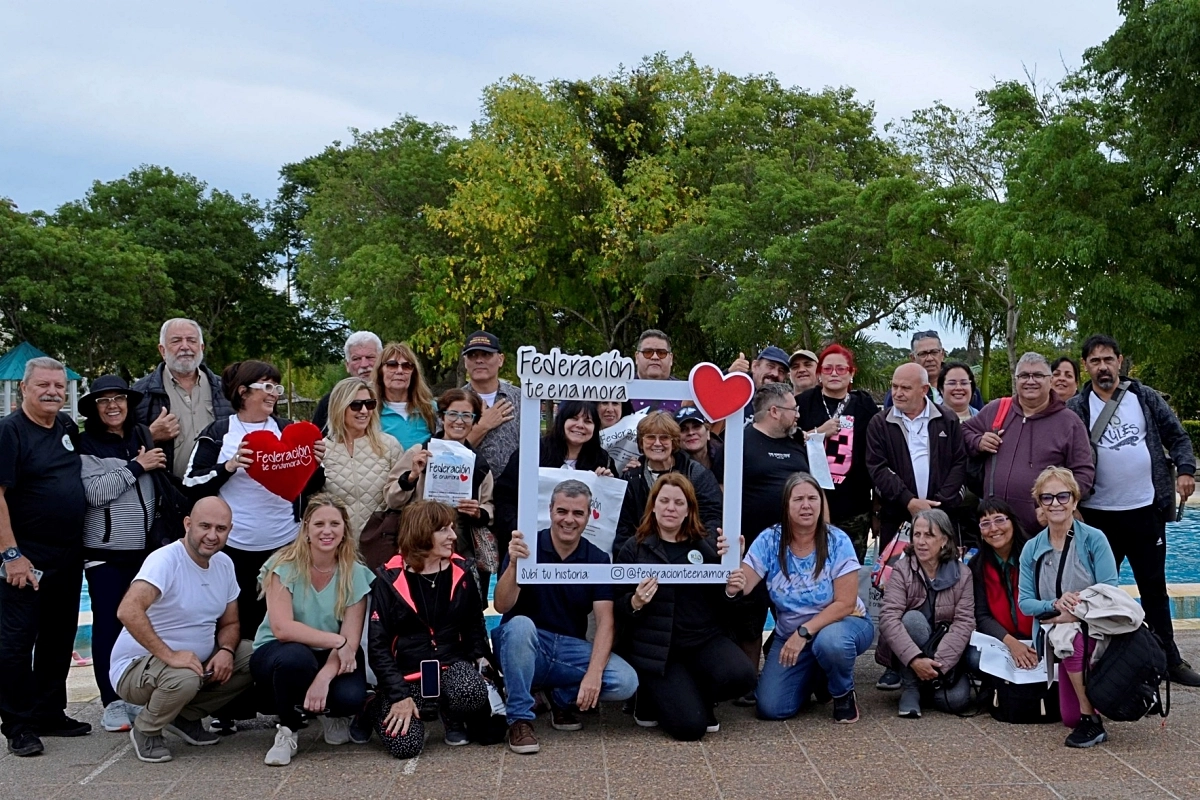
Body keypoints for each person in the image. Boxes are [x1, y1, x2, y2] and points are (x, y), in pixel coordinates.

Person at [1066, 334, 1200, 686]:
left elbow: (1178, 436)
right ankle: (1094, 661)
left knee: (1154, 589)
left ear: (1120, 360)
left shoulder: (1144, 397)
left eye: (1108, 359)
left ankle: (1170, 659)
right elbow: (1063, 458)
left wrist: (1186, 470)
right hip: (1097, 516)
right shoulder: (1076, 408)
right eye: (1095, 361)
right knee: (1095, 591)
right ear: (1086, 366)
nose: (1103, 367)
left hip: (1144, 511)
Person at [184, 361, 327, 647]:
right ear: (243, 392)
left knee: (285, 624)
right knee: (241, 624)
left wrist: (317, 464)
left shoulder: (288, 430)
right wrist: (230, 466)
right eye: (267, 386)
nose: (274, 393)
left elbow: (309, 485)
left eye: (277, 387)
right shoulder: (219, 432)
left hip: (286, 545)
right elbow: (190, 483)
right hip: (235, 548)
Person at [492, 480, 638, 754]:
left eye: (578, 513)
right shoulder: (526, 548)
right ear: (550, 511)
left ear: (588, 516)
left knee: (625, 680)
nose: (569, 520)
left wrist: (594, 674)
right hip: (521, 644)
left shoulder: (596, 558)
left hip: (566, 649)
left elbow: (606, 621)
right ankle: (520, 720)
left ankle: (559, 697)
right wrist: (513, 566)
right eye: (562, 511)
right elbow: (501, 605)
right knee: (521, 624)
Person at [111, 497, 253, 763]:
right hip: (135, 667)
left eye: (220, 529)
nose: (212, 535)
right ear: (187, 524)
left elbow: (230, 623)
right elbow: (127, 610)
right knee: (184, 677)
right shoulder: (165, 560)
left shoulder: (224, 564)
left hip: (190, 664)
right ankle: (146, 729)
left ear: (230, 530)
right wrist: (171, 655)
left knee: (254, 656)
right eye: (204, 526)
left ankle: (183, 717)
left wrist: (225, 650)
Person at [615, 474, 755, 739]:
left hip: (703, 641)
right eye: (664, 500)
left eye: (679, 503)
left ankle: (695, 693)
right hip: (659, 652)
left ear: (690, 509)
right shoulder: (634, 548)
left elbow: (725, 605)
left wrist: (730, 591)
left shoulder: (706, 547)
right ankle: (649, 695)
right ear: (653, 505)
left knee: (743, 676)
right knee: (691, 729)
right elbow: (616, 606)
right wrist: (634, 602)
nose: (671, 508)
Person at [727, 473, 873, 723]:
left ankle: (842, 692)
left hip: (842, 624)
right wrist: (733, 568)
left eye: (812, 498)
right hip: (791, 632)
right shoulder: (770, 539)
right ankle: (816, 676)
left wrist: (803, 633)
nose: (806, 505)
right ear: (786, 505)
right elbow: (744, 585)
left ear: (821, 503)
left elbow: (845, 603)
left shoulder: (837, 540)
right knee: (771, 708)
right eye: (798, 499)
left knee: (831, 643)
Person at [0, 357, 90, 757]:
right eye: (44, 386)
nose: (53, 392)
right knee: (17, 644)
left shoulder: (66, 427)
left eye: (59, 386)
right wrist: (11, 555)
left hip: (68, 555)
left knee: (58, 637)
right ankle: (18, 725)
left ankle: (50, 712)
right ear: (24, 388)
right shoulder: (9, 432)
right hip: (26, 557)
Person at [251, 494, 374, 766]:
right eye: (319, 524)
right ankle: (287, 729)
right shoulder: (283, 566)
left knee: (351, 696)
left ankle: (329, 713)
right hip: (279, 652)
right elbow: (282, 628)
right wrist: (336, 641)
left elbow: (350, 641)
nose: (327, 531)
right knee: (296, 659)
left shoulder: (355, 573)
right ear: (306, 528)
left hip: (330, 654)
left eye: (334, 524)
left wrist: (324, 678)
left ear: (345, 530)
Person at [79, 376, 171, 734]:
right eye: (104, 401)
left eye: (119, 398)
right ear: (95, 408)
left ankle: (137, 694)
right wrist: (136, 466)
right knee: (107, 625)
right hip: (104, 551)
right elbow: (95, 493)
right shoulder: (86, 445)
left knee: (141, 627)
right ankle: (110, 700)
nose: (113, 406)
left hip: (144, 551)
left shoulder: (141, 437)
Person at [369, 500, 493, 757]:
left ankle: (451, 713)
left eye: (451, 528)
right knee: (406, 748)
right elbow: (378, 646)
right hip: (406, 676)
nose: (452, 536)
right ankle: (375, 707)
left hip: (450, 665)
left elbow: (474, 629)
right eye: (443, 530)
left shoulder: (463, 571)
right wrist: (398, 695)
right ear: (422, 533)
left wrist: (485, 680)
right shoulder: (388, 578)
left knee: (471, 694)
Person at [712, 383, 810, 676]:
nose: (798, 415)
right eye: (793, 409)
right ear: (774, 411)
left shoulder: (797, 444)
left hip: (795, 550)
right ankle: (748, 681)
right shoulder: (739, 441)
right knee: (750, 620)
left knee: (795, 613)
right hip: (753, 548)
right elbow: (721, 491)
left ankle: (792, 675)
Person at [1018, 467, 1119, 748]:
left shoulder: (1093, 539)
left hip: (1095, 625)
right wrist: (1053, 604)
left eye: (1062, 496)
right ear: (1039, 504)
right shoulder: (1032, 549)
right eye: (1047, 498)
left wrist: (1073, 611)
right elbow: (1025, 603)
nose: (1055, 504)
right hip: (1053, 628)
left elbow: (1111, 589)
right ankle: (1087, 706)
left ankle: (1092, 720)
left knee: (1071, 638)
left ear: (1074, 500)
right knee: (1068, 718)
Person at [962, 352, 1094, 536]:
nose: (1030, 381)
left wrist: (1057, 506)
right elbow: (964, 432)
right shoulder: (998, 408)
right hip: (996, 529)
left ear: (1050, 380)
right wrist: (978, 441)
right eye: (1024, 375)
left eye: (1038, 375)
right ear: (1016, 380)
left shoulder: (1069, 422)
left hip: (1043, 530)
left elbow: (1084, 472)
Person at [387, 388, 495, 599]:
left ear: (474, 421)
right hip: (418, 544)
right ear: (442, 417)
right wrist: (412, 476)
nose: (459, 421)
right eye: (453, 414)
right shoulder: (419, 452)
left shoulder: (479, 465)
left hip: (461, 546)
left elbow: (489, 506)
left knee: (460, 604)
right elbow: (391, 499)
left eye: (467, 415)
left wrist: (478, 511)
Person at [877, 509, 975, 718]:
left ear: (944, 540)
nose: (921, 541)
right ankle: (911, 687)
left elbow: (964, 622)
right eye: (917, 534)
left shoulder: (963, 574)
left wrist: (939, 665)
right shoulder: (902, 569)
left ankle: (928, 684)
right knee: (912, 620)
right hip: (910, 651)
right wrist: (915, 660)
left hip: (942, 652)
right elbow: (888, 618)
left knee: (958, 701)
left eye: (929, 535)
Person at [866, 363, 967, 550]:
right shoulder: (880, 423)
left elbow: (959, 463)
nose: (897, 393)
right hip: (897, 519)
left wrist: (937, 505)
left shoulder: (948, 419)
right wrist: (908, 501)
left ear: (924, 390)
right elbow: (877, 468)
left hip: (942, 517)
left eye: (905, 388)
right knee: (895, 577)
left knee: (943, 576)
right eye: (894, 386)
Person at [493, 400, 616, 555]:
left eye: (588, 421)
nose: (580, 425)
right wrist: (518, 527)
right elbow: (505, 495)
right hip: (530, 547)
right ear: (562, 420)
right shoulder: (532, 452)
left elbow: (610, 512)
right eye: (573, 418)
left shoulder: (603, 460)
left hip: (583, 553)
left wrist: (607, 484)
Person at [795, 344, 879, 561]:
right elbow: (788, 440)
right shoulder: (803, 403)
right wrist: (817, 432)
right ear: (819, 374)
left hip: (854, 506)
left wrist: (877, 506)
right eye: (828, 368)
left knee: (848, 568)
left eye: (841, 369)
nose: (834, 373)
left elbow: (877, 450)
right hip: (809, 505)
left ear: (851, 373)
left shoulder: (864, 404)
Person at [133, 318, 234, 480]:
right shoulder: (140, 394)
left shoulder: (226, 390)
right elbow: (121, 449)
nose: (185, 346)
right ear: (162, 350)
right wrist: (150, 436)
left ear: (201, 347)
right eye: (176, 341)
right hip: (168, 493)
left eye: (191, 340)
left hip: (219, 489)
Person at [613, 411, 723, 557]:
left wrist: (701, 551)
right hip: (644, 559)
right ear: (641, 442)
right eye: (651, 437)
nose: (657, 443)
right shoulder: (632, 478)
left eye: (664, 437)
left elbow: (713, 518)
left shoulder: (696, 474)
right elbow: (623, 528)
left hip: (690, 556)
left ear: (674, 442)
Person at [317, 377, 404, 542]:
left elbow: (403, 500)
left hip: (381, 544)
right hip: (337, 545)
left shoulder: (389, 445)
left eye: (369, 404)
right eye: (356, 405)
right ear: (339, 407)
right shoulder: (322, 450)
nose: (364, 411)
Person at [966, 499, 1038, 677]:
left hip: (1038, 636)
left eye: (999, 520)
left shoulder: (1035, 556)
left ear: (1013, 521)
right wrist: (1012, 644)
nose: (993, 529)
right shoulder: (977, 565)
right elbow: (982, 616)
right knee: (974, 659)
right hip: (1002, 638)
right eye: (985, 523)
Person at [461, 331, 522, 475]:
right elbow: (446, 454)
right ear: (465, 362)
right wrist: (482, 427)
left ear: (500, 359)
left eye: (486, 354)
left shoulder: (521, 398)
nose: (479, 360)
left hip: (514, 490)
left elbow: (533, 448)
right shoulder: (453, 401)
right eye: (472, 355)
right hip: (467, 488)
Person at [885, 330, 984, 411]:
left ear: (942, 354)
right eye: (923, 354)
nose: (929, 358)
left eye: (934, 352)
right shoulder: (899, 393)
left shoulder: (965, 389)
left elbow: (980, 422)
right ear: (913, 358)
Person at [310, 331, 383, 434]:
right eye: (356, 359)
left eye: (370, 357)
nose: (364, 364)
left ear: (381, 360)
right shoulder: (330, 403)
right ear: (347, 365)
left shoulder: (395, 398)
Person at [373, 342, 437, 450]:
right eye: (392, 365)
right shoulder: (371, 411)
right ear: (380, 371)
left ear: (413, 373)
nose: (399, 371)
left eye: (406, 366)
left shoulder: (430, 409)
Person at [625, 329, 684, 416]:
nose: (655, 357)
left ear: (671, 358)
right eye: (648, 352)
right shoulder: (619, 391)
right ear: (637, 357)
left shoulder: (685, 393)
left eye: (661, 353)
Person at [728, 346, 791, 421]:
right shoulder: (734, 388)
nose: (775, 374)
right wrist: (728, 375)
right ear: (755, 366)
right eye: (771, 366)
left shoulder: (784, 403)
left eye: (781, 371)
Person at [675, 406, 723, 478]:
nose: (691, 433)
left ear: (708, 432)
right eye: (683, 429)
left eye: (696, 426)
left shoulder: (727, 457)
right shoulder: (672, 465)